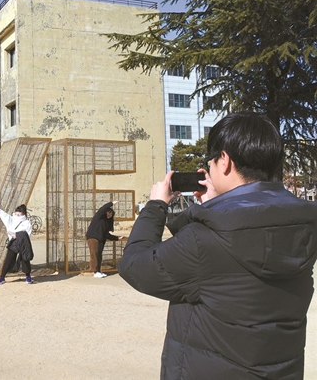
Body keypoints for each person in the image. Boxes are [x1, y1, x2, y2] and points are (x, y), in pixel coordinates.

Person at [118, 112, 317, 379]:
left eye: (211, 162)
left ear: (224, 161)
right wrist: (215, 207)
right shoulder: (302, 223)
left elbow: (135, 266)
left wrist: (156, 206)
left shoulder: (204, 240)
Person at [0, 202, 34, 285]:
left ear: (23, 214)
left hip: (23, 243)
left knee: (25, 259)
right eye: (16, 213)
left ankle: (28, 277)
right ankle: (2, 277)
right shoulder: (12, 219)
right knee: (8, 260)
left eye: (19, 213)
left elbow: (27, 235)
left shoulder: (26, 223)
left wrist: (17, 235)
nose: (17, 215)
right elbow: (4, 215)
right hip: (13, 242)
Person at [85, 201, 124, 278]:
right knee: (95, 254)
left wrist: (117, 238)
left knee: (99, 255)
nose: (110, 215)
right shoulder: (99, 217)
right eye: (109, 213)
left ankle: (98, 271)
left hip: (100, 239)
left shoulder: (106, 223)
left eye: (111, 214)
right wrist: (112, 203)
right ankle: (95, 271)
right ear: (106, 212)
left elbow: (106, 234)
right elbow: (102, 209)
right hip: (93, 237)